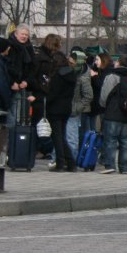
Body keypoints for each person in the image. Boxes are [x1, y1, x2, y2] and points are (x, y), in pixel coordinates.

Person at [26, 32, 64, 166]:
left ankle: (34, 152)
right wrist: (42, 87)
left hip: (40, 95)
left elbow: (31, 77)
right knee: (44, 125)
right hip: (44, 95)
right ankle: (41, 150)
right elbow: (33, 77)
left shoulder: (40, 57)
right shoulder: (47, 59)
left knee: (39, 124)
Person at [99, 55, 127, 174]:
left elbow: (104, 96)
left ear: (118, 63)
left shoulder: (112, 77)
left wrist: (104, 106)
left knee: (110, 141)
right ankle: (125, 168)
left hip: (112, 114)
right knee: (125, 143)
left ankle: (109, 165)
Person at [46, 43, 77, 172]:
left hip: (55, 109)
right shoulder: (71, 74)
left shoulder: (57, 76)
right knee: (62, 136)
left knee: (57, 137)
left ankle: (61, 162)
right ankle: (70, 163)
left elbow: (53, 94)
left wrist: (45, 100)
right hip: (66, 108)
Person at [5, 24, 35, 126]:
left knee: (18, 113)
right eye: (22, 34)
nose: (24, 36)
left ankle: (16, 130)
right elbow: (6, 67)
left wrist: (26, 81)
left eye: (26, 35)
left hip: (23, 84)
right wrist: (12, 82)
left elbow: (32, 67)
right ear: (16, 34)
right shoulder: (9, 47)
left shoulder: (29, 48)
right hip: (11, 85)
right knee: (12, 112)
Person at [67, 50, 93, 160]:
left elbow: (89, 96)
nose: (69, 64)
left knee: (73, 137)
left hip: (75, 110)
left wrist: (77, 108)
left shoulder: (83, 77)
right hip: (69, 108)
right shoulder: (73, 72)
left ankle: (73, 159)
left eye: (72, 63)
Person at [89, 52, 111, 134]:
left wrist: (94, 76)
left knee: (104, 128)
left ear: (103, 60)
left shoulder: (108, 72)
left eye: (97, 60)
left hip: (104, 105)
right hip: (98, 104)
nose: (95, 62)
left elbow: (101, 84)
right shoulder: (99, 70)